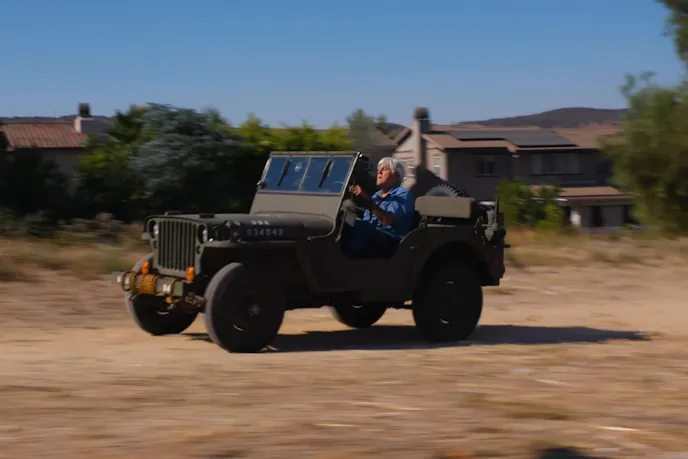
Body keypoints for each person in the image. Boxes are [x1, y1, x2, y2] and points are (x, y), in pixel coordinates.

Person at [342, 157, 415, 258]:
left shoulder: (402, 194)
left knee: (363, 228)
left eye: (384, 169)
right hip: (374, 235)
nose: (379, 173)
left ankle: (344, 262)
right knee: (345, 223)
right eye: (378, 170)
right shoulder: (377, 195)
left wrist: (367, 201)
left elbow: (387, 220)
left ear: (396, 176)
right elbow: (367, 220)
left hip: (390, 241)